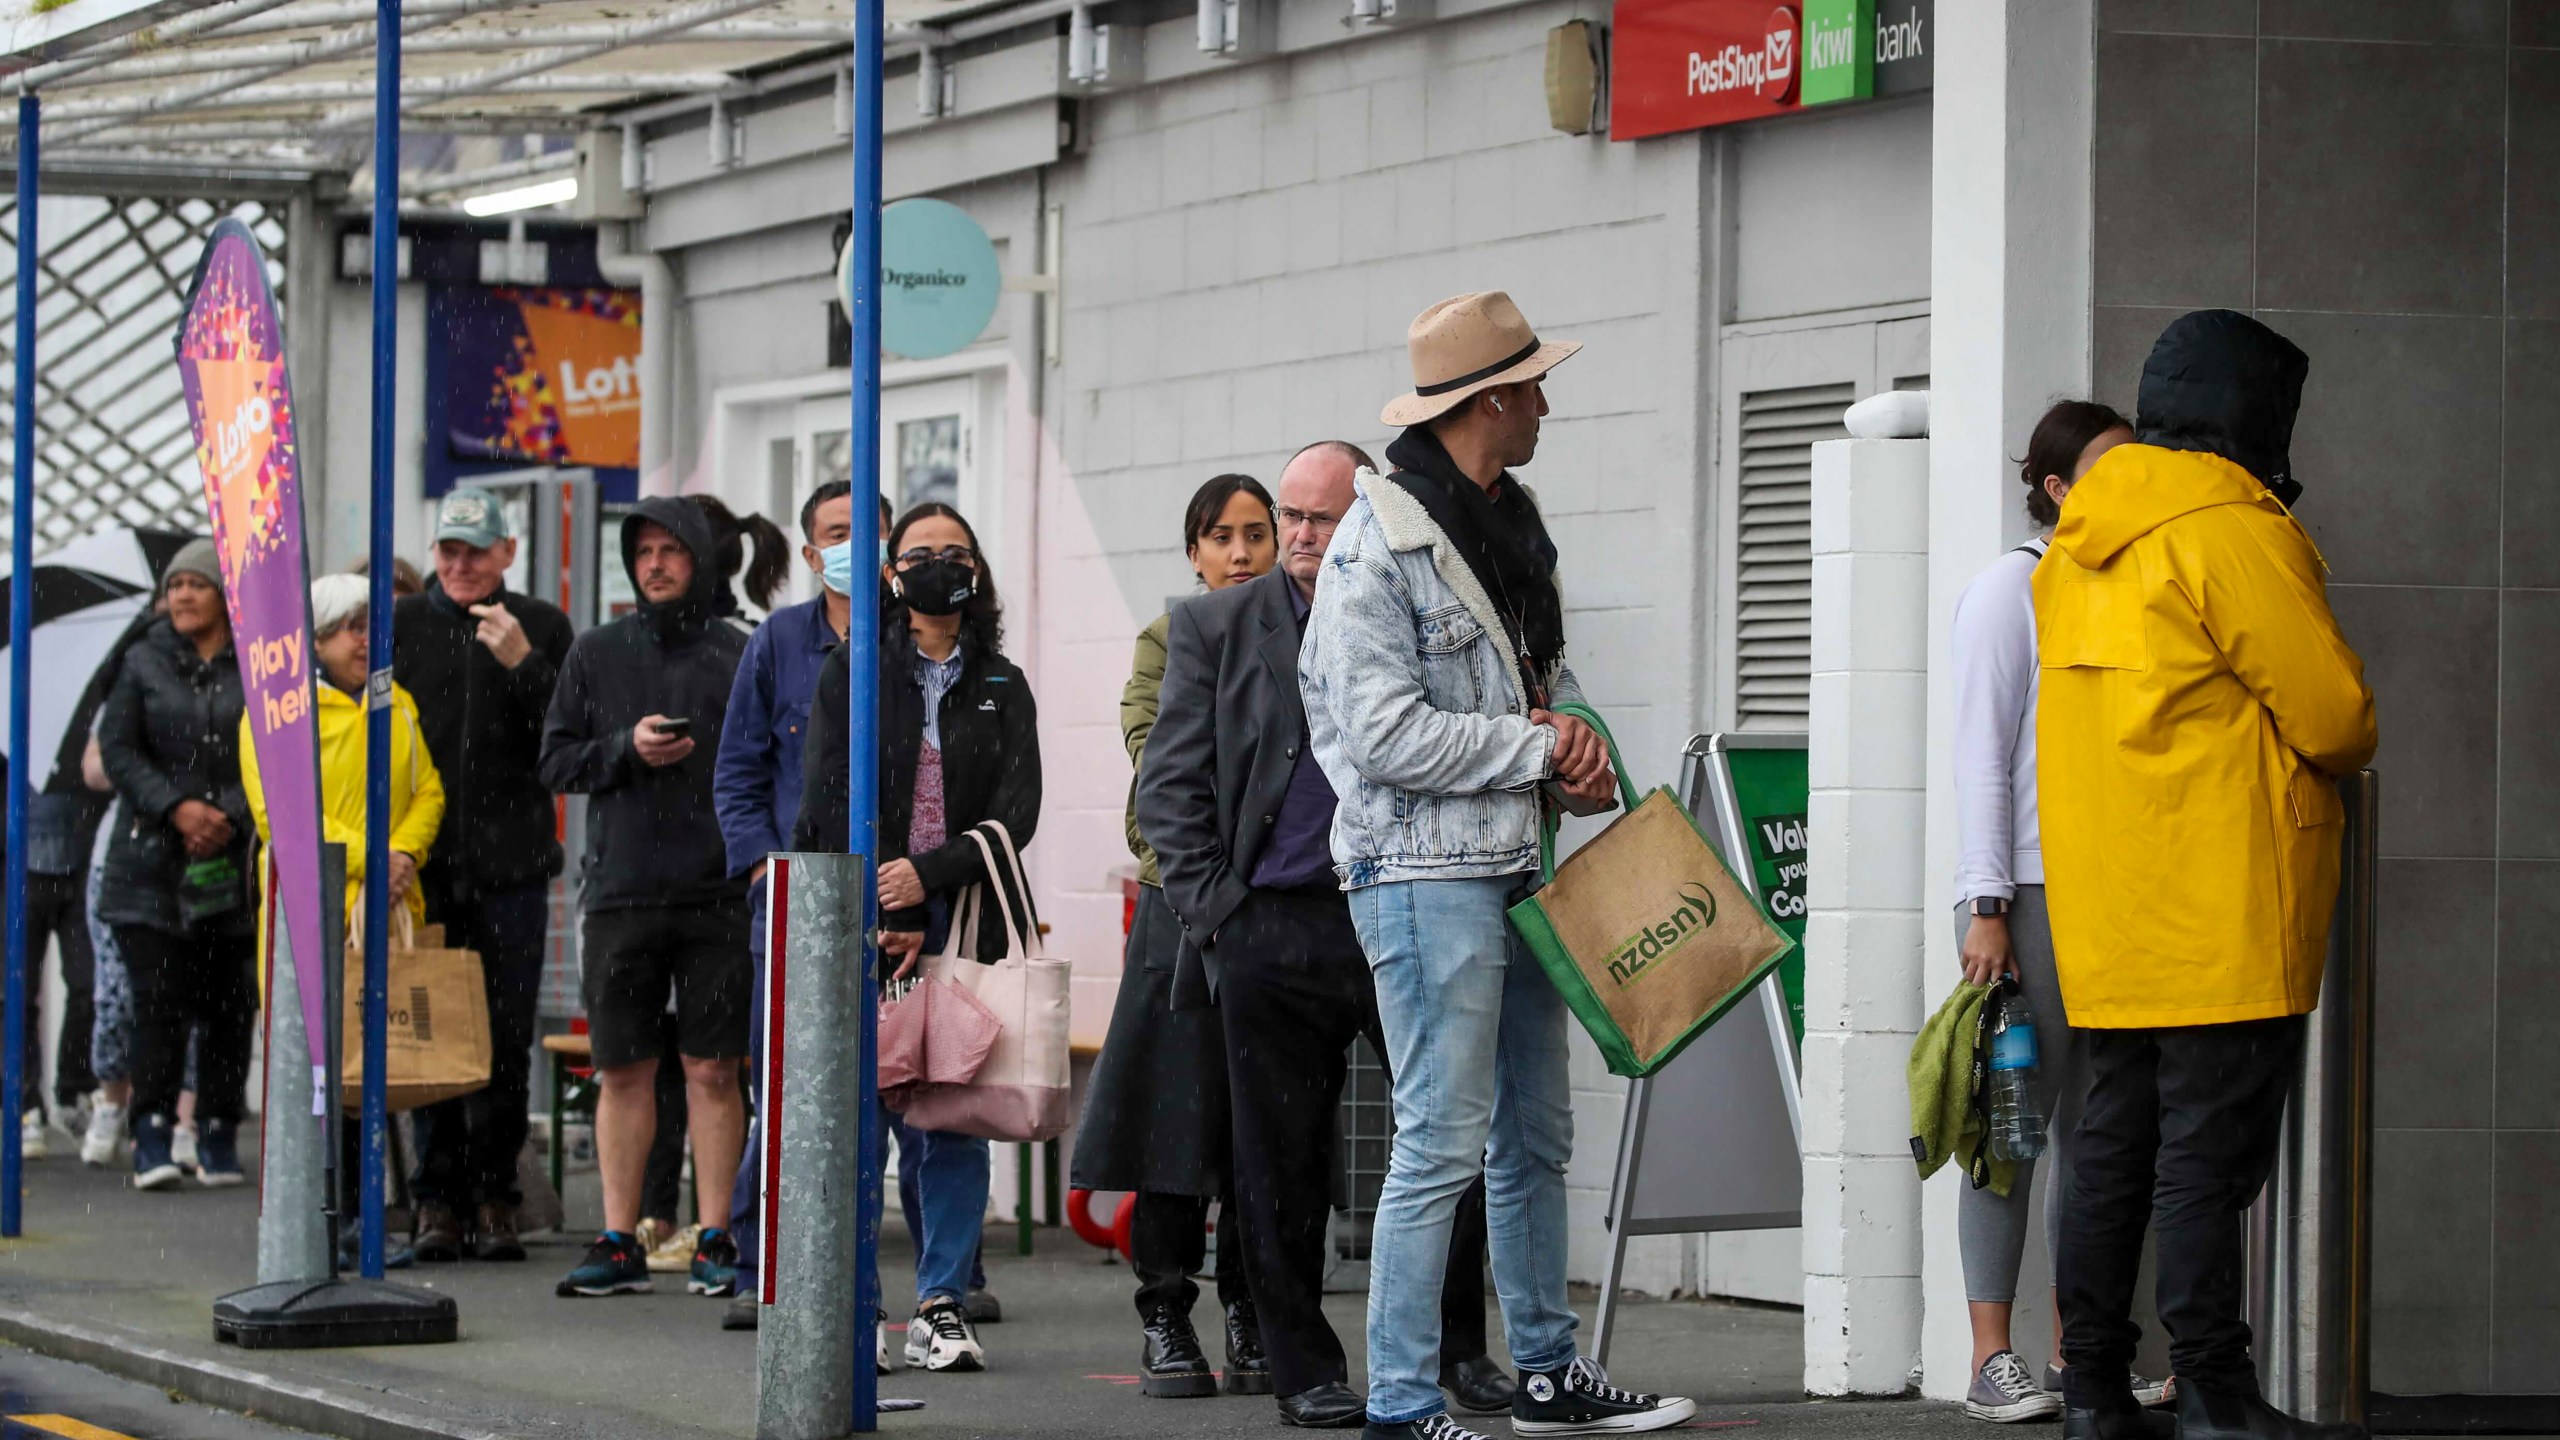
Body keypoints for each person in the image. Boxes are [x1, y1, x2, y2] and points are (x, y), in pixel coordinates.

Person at [1301, 293, 1693, 1440]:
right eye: (1531, 387)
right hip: (1420, 875)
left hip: (1514, 864)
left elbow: (1540, 674)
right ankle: (1404, 1402)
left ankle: (1544, 1374)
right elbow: (1380, 735)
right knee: (1439, 1134)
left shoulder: (1506, 519)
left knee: (1532, 1133)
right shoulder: (1379, 544)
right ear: (1488, 400)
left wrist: (1573, 744)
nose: (1545, 405)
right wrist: (1537, 747)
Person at [2037, 310, 2375, 1440]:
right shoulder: (2233, 531)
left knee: (2111, 1154)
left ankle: (2091, 1386)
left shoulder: (2081, 544)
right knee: (2201, 1164)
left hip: (2110, 905)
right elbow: (2334, 718)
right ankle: (2213, 1393)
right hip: (2226, 900)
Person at [1142, 443, 1517, 1430]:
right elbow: (1169, 787)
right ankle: (1302, 1364)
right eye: (1291, 518)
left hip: (1404, 897)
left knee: (1445, 1140)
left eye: (1323, 518)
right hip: (1273, 925)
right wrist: (1223, 917)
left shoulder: (1411, 604)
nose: (1304, 537)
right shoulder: (1213, 626)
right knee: (1281, 1163)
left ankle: (1460, 1351)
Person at [1950, 400, 2170, 1423]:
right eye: (2112, 469)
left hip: (2112, 894)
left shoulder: (2125, 584)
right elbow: (1979, 757)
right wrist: (1985, 904)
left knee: (2103, 1137)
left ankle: (2085, 1353)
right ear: (2054, 487)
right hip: (2028, 895)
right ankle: (1992, 1359)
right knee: (2011, 1129)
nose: (2137, 484)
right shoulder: (2013, 585)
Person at [794, 501, 1040, 1374]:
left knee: (948, 1118)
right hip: (864, 919)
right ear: (892, 574)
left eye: (957, 553)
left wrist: (927, 882)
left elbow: (1017, 813)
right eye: (921, 553)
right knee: (858, 1117)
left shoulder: (1004, 683)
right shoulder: (853, 669)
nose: (940, 564)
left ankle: (939, 1303)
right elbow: (829, 795)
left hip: (959, 923)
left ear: (977, 574)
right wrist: (887, 903)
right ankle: (856, 1303)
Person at [1076, 473, 1278, 1400]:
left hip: (1279, 910)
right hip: (1183, 906)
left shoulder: (1310, 634)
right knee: (1172, 1118)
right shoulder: (1169, 641)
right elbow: (1162, 766)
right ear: (1193, 552)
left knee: (1258, 1128)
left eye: (1256, 533)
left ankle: (1248, 1308)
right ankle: (1165, 1311)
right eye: (1220, 536)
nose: (1241, 552)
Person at [540, 496, 752, 1300]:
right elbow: (556, 763)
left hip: (718, 893)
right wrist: (624, 748)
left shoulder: (740, 652)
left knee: (712, 1068)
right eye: (644, 552)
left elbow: (770, 764)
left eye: (671, 549)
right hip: (622, 892)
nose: (655, 564)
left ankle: (717, 1236)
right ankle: (619, 1235)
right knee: (622, 1068)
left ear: (700, 557)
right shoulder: (596, 651)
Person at [242, 573, 446, 1265]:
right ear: (318, 636)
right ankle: (314, 1223)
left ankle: (368, 1221)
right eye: (351, 627)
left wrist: (403, 852)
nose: (366, 640)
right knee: (319, 1074)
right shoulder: (278, 711)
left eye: (372, 625)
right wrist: (370, 856)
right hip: (315, 912)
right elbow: (281, 810)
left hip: (386, 911)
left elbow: (429, 789)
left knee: (372, 1070)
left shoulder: (399, 702)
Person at [395, 489, 575, 1263]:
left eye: (476, 550)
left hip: (511, 868)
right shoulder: (401, 626)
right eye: (448, 551)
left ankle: (497, 1194)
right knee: (429, 1032)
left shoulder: (542, 625)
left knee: (505, 1035)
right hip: (425, 866)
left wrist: (523, 665)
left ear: (507, 553)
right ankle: (435, 1200)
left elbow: (568, 740)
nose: (461, 565)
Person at [711, 478, 855, 1330]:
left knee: (913, 1092)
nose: (851, 545)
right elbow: (737, 771)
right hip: (793, 897)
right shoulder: (776, 642)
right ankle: (757, 1264)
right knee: (785, 1084)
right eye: (834, 532)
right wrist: (765, 871)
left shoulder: (911, 639)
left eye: (865, 529)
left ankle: (942, 1282)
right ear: (808, 553)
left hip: (889, 896)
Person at [93, 540, 256, 1192]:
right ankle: (152, 1131)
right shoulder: (141, 659)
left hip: (232, 866)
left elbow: (279, 743)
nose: (183, 595)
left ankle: (217, 1130)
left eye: (197, 583)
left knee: (228, 1005)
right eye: (176, 584)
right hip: (150, 866)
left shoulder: (259, 659)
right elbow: (118, 748)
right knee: (158, 1003)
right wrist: (178, 808)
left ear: (224, 595)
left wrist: (227, 815)